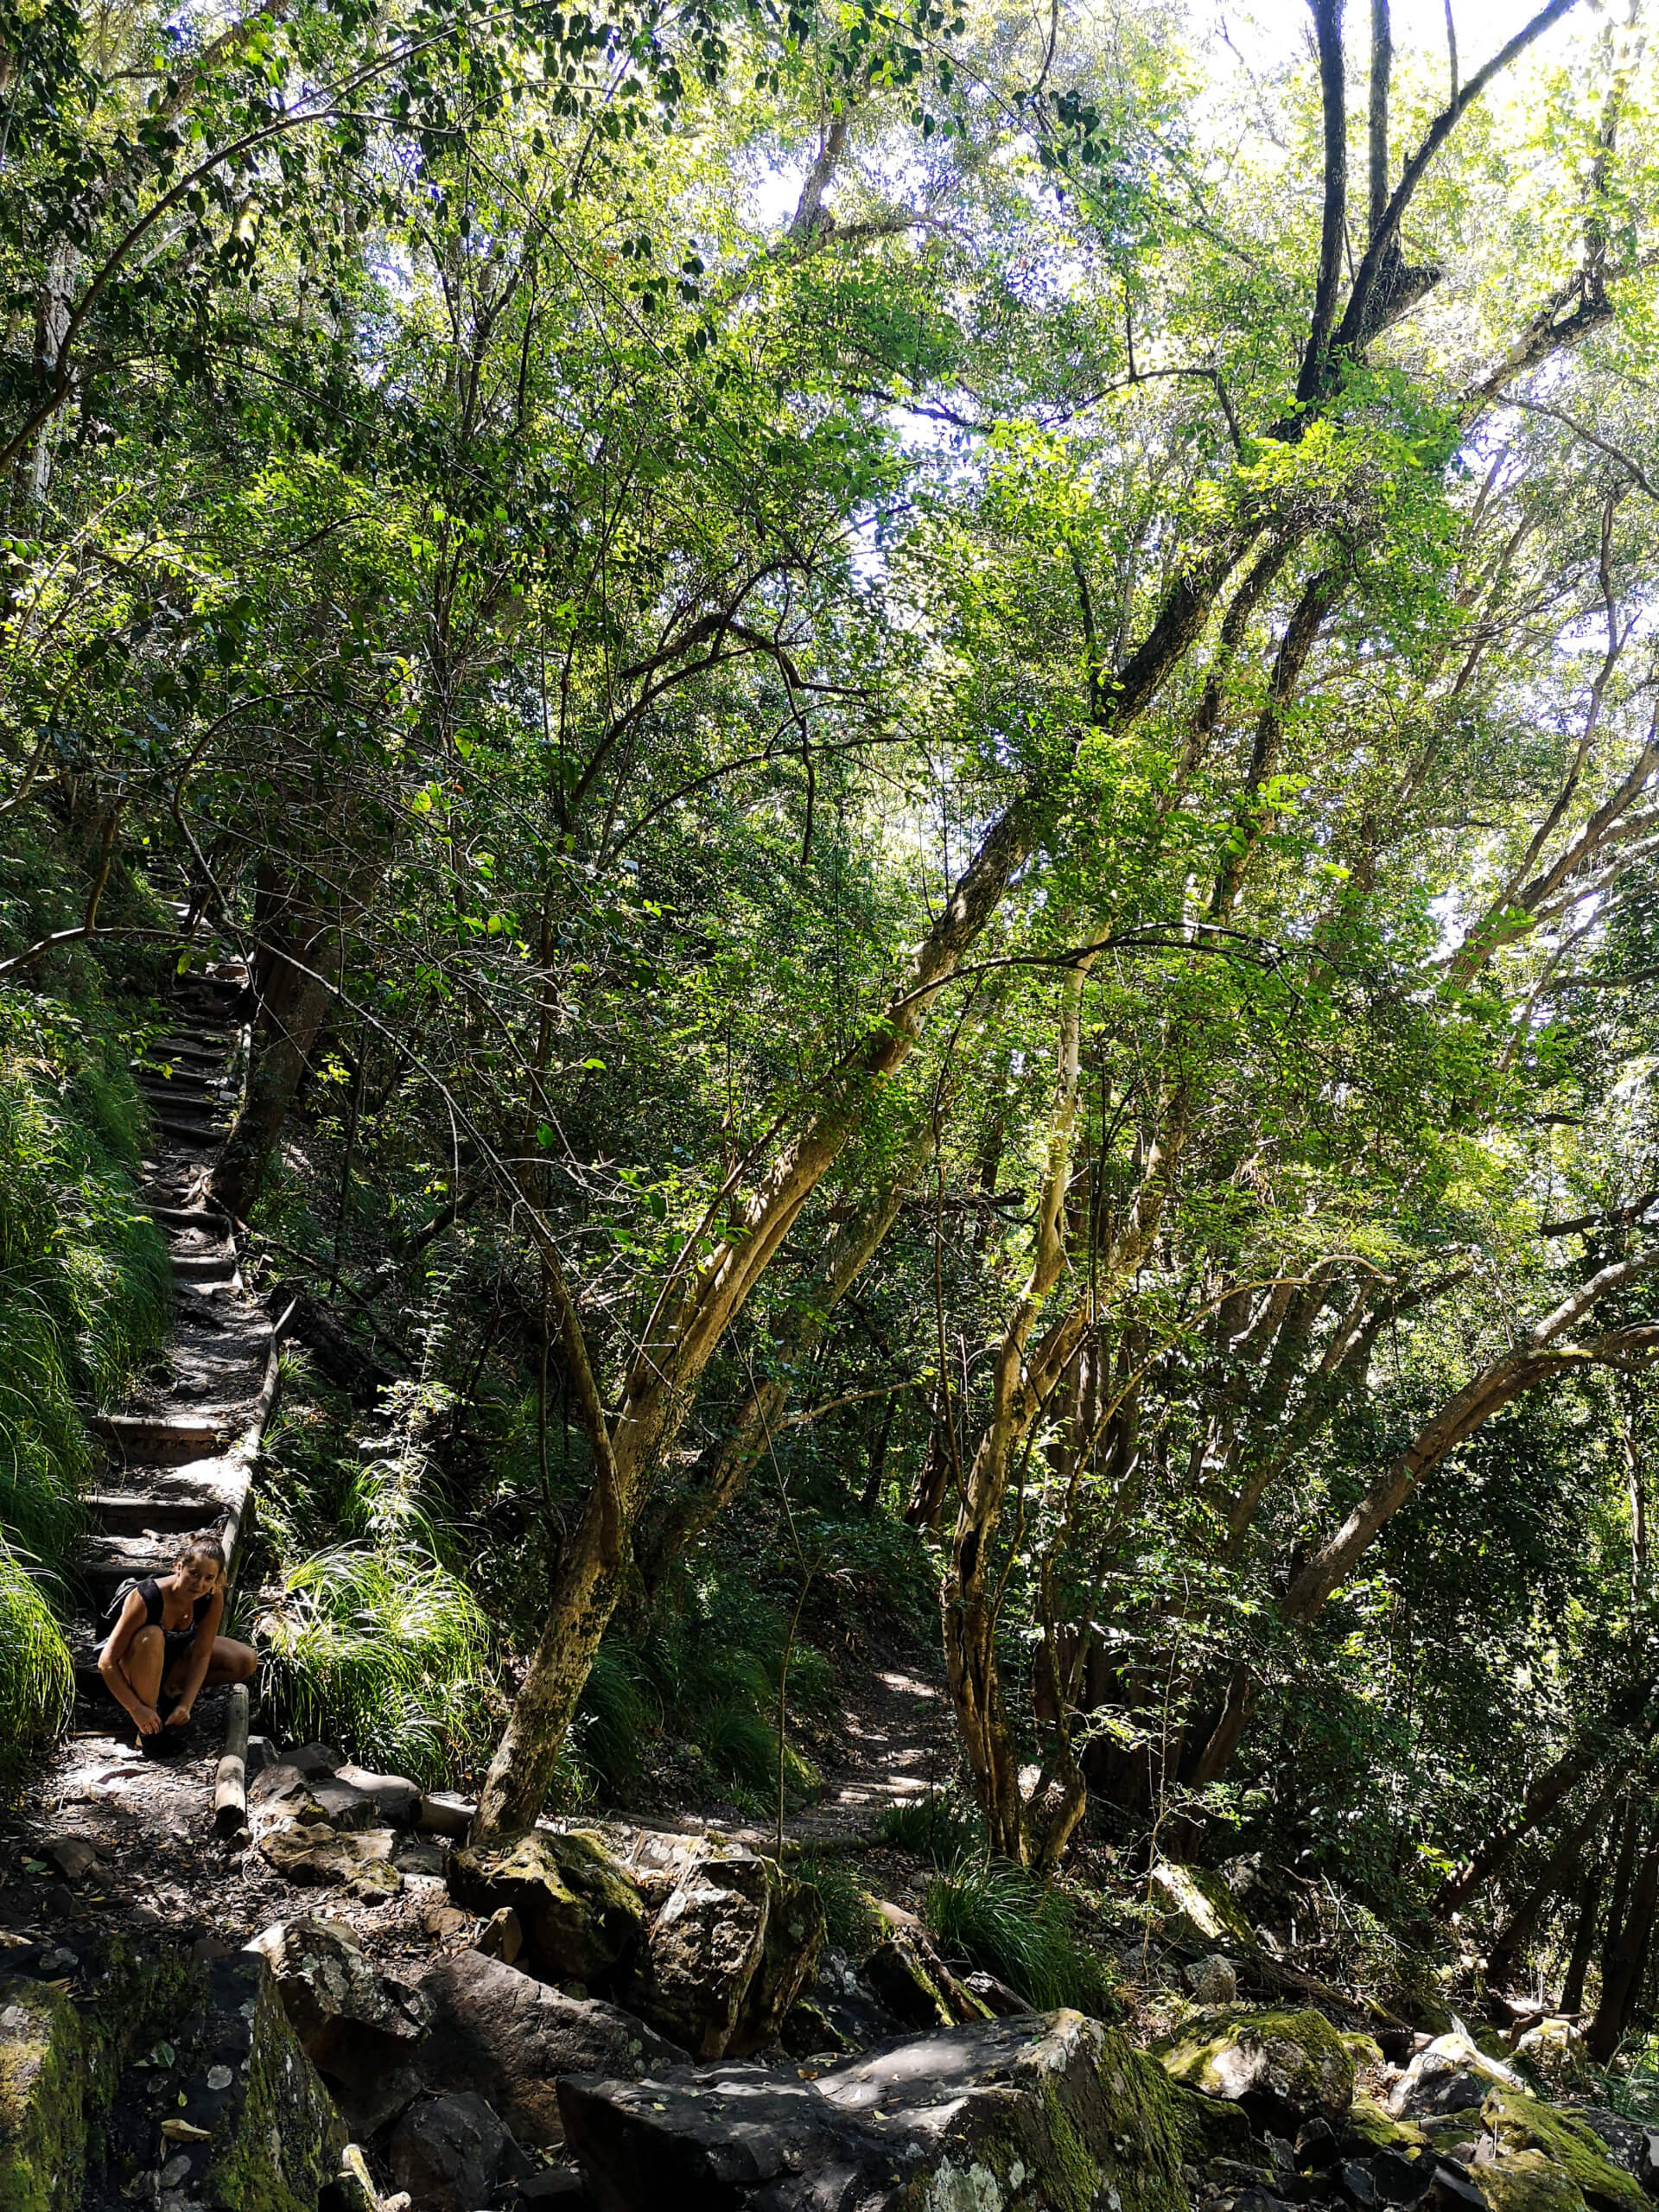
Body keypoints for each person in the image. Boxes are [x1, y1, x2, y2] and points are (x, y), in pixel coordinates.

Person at [98, 1533, 257, 1747]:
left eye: (209, 1578)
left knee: (245, 1660)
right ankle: (149, 1730)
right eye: (194, 1574)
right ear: (179, 1567)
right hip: (135, 1665)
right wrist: (136, 1709)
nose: (200, 1584)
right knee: (152, 1635)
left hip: (173, 1663)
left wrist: (186, 1704)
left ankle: (170, 1694)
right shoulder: (147, 1597)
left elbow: (202, 1653)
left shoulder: (212, 1596)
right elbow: (106, 1662)